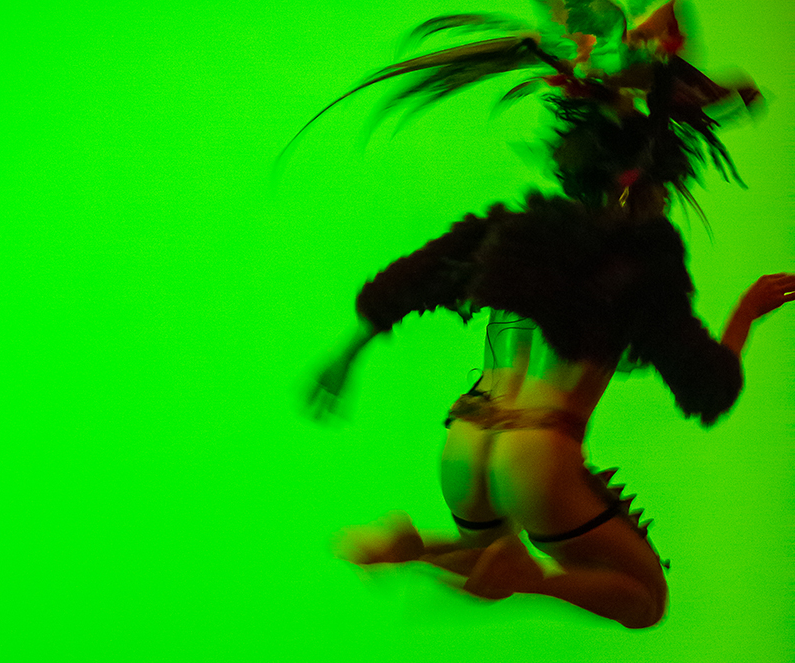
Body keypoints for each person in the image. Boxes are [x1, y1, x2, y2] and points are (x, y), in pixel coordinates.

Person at [292, 1, 795, 628]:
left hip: (465, 442)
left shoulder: (514, 229)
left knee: (481, 556)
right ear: (642, 180)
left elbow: (406, 281)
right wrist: (747, 313)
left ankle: (411, 547)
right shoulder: (643, 257)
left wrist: (345, 356)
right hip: (536, 449)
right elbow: (708, 387)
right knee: (645, 602)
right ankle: (528, 576)